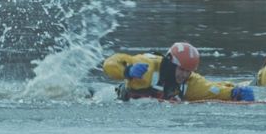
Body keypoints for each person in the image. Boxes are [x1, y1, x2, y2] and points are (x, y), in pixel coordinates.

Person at [103, 41, 254, 102]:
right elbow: (111, 63)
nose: (184, 75)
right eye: (181, 69)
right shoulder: (147, 66)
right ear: (170, 62)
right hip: (113, 99)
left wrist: (235, 92)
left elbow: (212, 90)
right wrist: (128, 71)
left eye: (188, 71)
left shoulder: (190, 82)